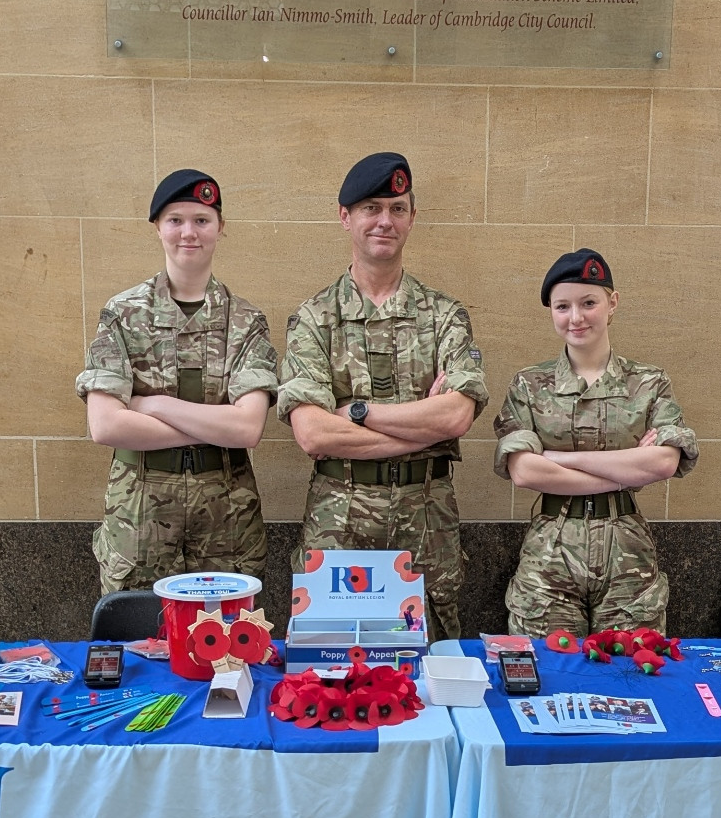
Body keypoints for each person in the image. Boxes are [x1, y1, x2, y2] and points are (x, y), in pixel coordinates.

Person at [277, 153, 486, 639]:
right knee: (330, 668)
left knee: (430, 664)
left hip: (426, 520)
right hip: (338, 521)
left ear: (412, 218)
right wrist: (420, 430)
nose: (384, 221)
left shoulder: (445, 316)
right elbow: (311, 433)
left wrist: (357, 412)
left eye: (397, 208)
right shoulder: (314, 319)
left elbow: (456, 416)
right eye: (372, 208)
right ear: (345, 216)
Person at [77, 169, 276, 591]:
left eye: (202, 220)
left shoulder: (245, 322)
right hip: (140, 516)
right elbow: (107, 426)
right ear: (157, 228)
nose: (189, 232)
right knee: (137, 646)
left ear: (221, 228)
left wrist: (154, 405)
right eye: (175, 220)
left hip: (226, 518)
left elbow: (247, 428)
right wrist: (212, 424)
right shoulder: (122, 315)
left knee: (227, 647)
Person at [493, 249, 697, 635]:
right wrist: (629, 467)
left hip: (628, 557)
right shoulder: (530, 385)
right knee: (549, 675)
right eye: (562, 306)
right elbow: (523, 471)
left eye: (589, 302)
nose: (576, 317)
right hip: (549, 558)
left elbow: (663, 463)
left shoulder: (649, 383)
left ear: (612, 302)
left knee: (631, 675)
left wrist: (556, 457)